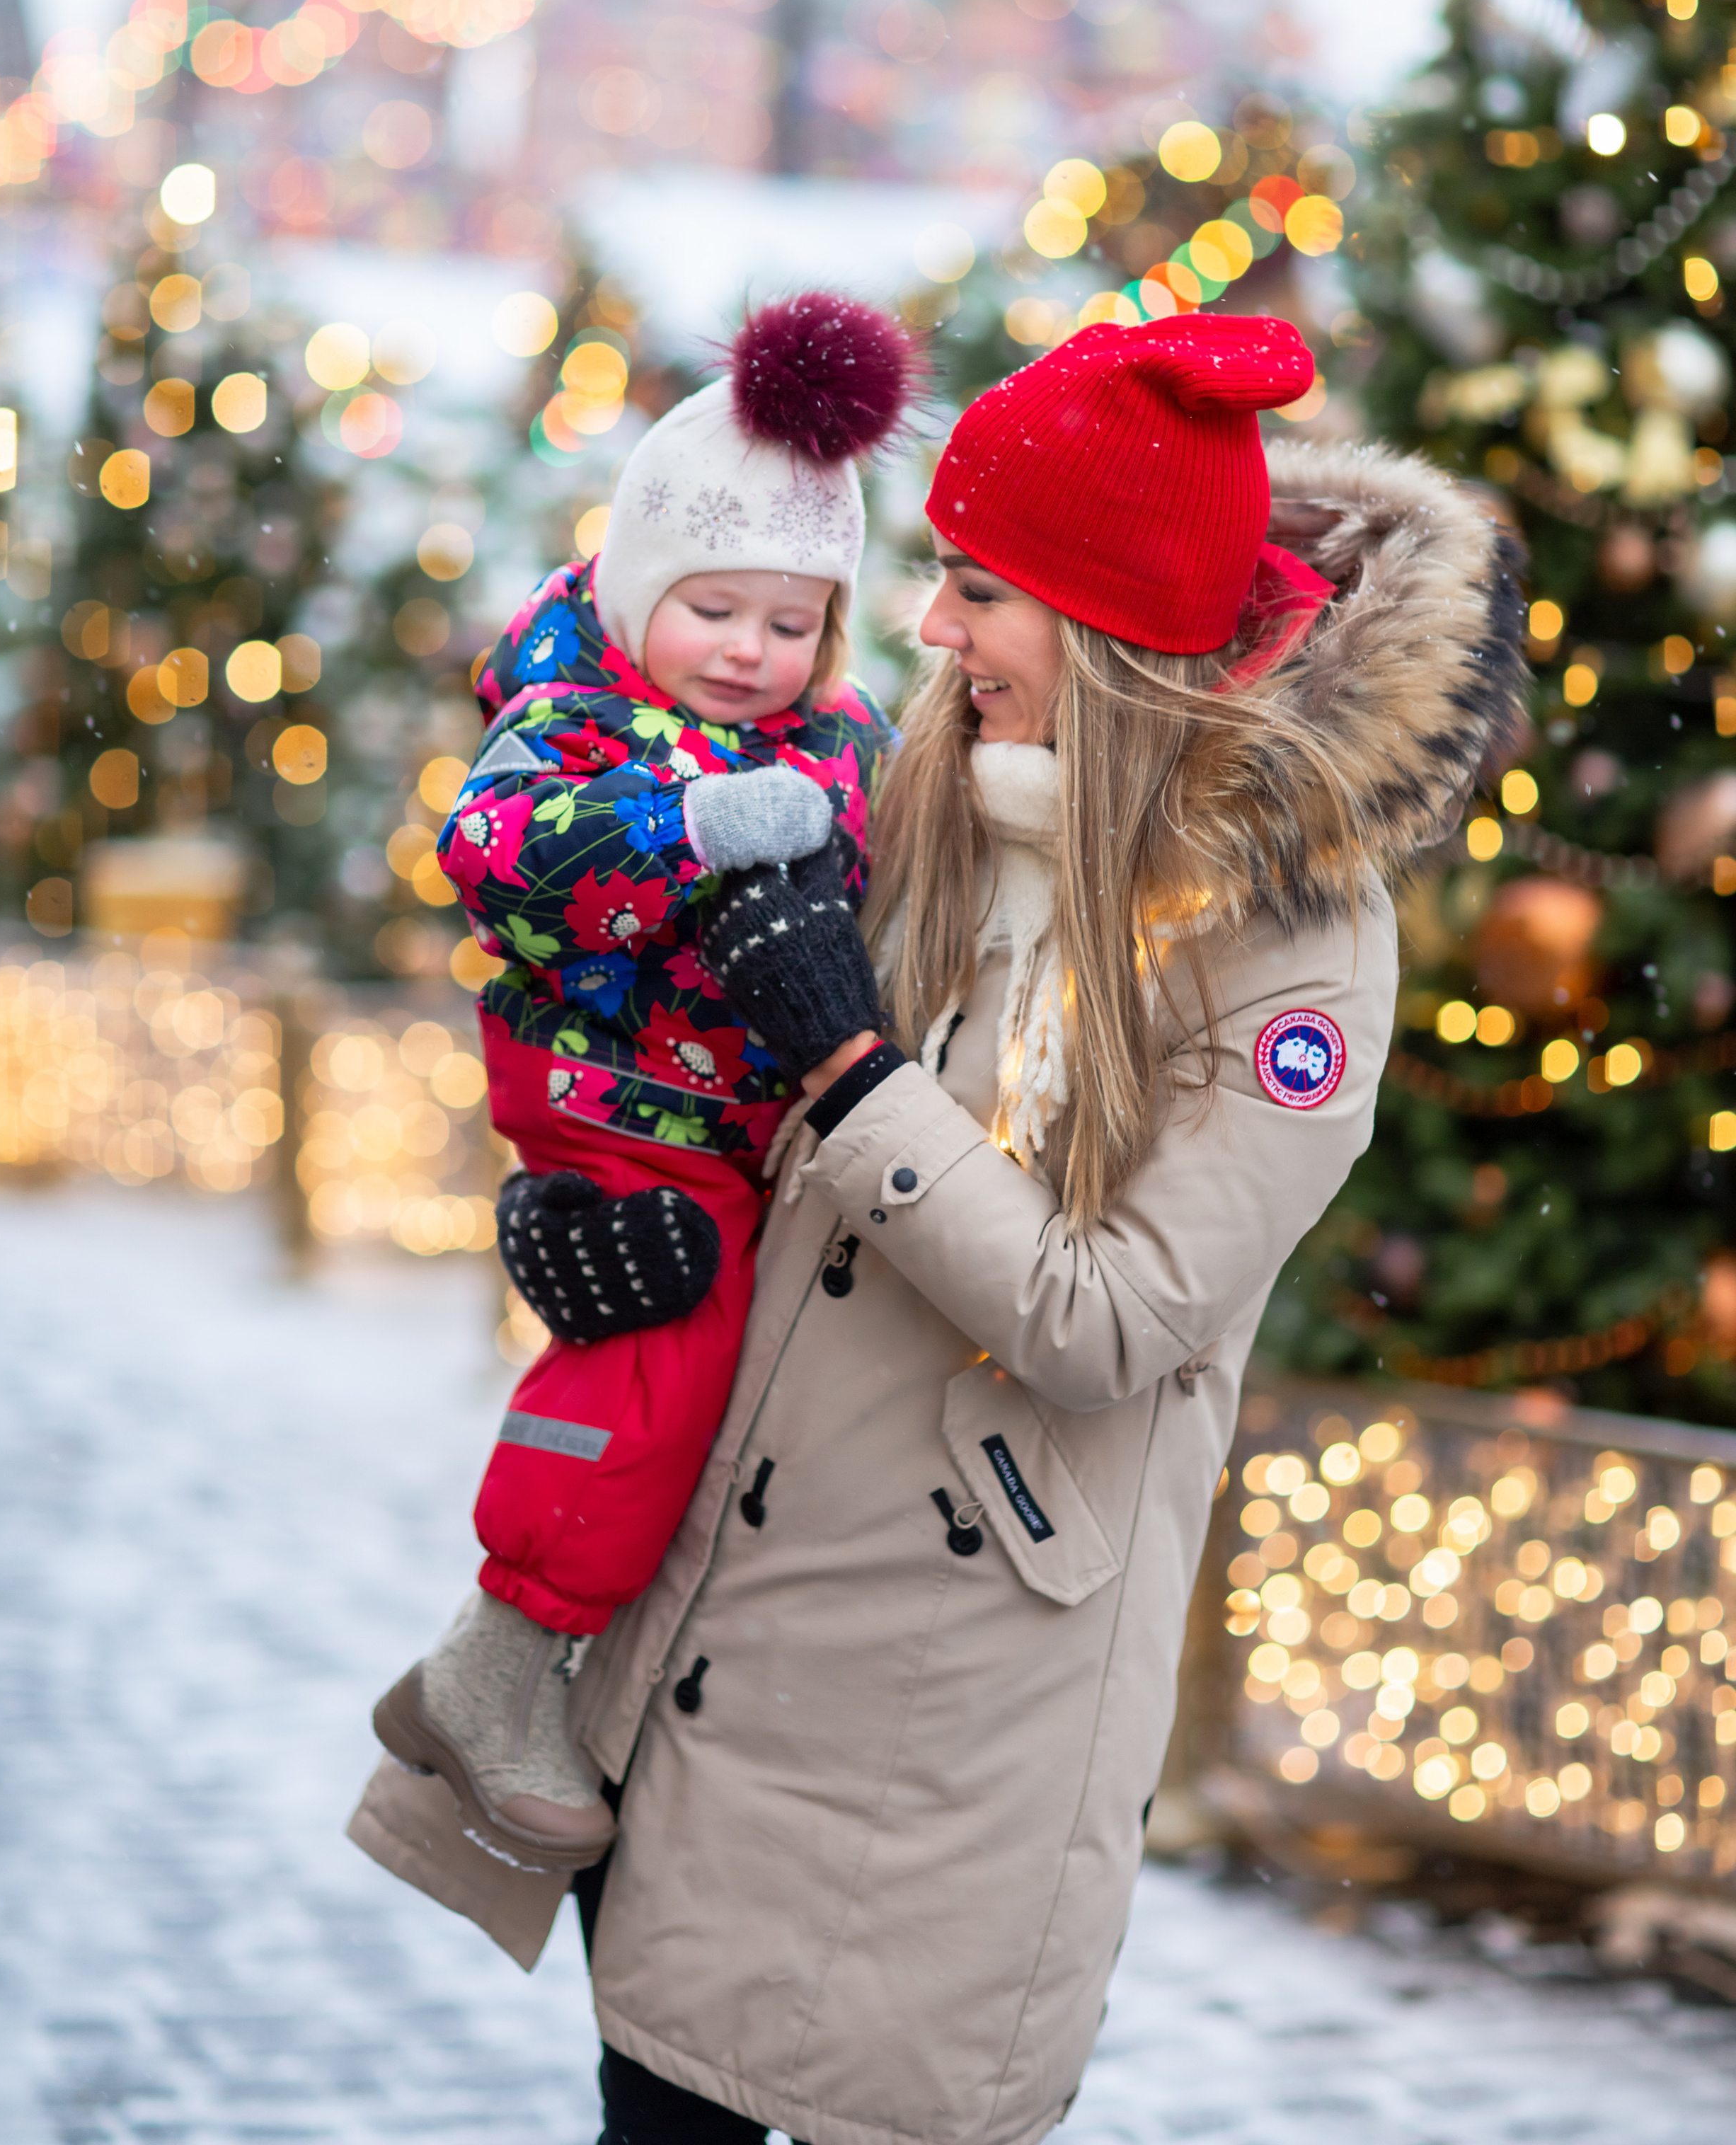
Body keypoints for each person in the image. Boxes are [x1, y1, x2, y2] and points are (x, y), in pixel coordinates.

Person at [561, 315, 1524, 2145]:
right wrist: (599, 1202)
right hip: (722, 1640)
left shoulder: (1291, 926)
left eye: (979, 590)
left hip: (951, 1709)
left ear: (1100, 624)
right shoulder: (918, 784)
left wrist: (852, 1072)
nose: (929, 628)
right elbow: (725, 1095)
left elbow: (1108, 1322)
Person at [371, 294, 907, 1872]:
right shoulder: (576, 720)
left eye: (790, 624)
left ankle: (565, 1664)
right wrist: (695, 825)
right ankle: (500, 1651)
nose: (748, 652)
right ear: (633, 593)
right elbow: (500, 853)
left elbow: (900, 827)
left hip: (742, 1123)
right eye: (713, 609)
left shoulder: (839, 735)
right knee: (660, 1355)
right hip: (616, 1105)